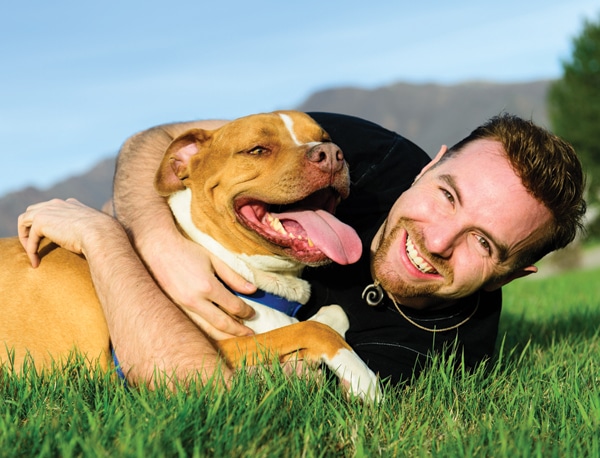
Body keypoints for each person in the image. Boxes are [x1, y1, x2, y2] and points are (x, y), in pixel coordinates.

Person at [18, 112, 586, 387]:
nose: (436, 240)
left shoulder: (440, 358)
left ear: (516, 272)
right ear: (430, 164)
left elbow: (186, 380)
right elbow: (163, 141)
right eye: (446, 194)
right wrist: (154, 236)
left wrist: (104, 237)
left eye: (483, 243)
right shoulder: (360, 152)